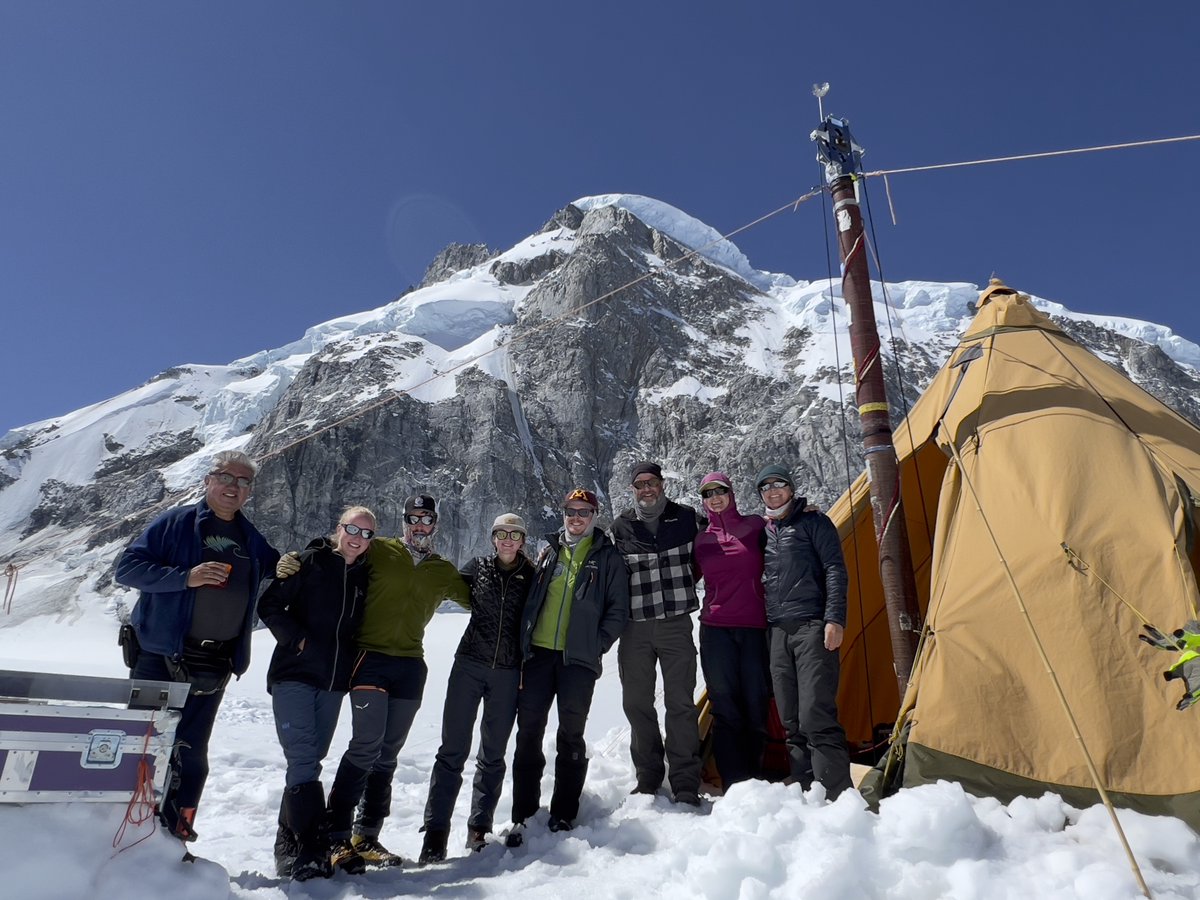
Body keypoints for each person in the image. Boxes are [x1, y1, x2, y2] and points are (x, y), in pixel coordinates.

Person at [115, 450, 279, 843]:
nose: (233, 487)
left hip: (213, 664)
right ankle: (125, 829)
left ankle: (175, 834)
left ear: (249, 493)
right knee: (146, 746)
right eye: (226, 478)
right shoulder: (175, 524)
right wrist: (184, 578)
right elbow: (128, 568)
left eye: (242, 483)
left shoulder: (249, 537)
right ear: (208, 480)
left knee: (192, 753)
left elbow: (278, 567)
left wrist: (298, 563)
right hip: (159, 656)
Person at [320, 495, 468, 872]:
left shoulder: (442, 570)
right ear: (404, 522)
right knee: (366, 744)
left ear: (435, 524)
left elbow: (479, 599)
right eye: (413, 518)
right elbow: (341, 549)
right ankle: (334, 836)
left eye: (426, 519)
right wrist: (305, 554)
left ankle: (366, 836)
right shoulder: (380, 550)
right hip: (369, 659)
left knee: (387, 752)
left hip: (411, 666)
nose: (420, 525)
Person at [504, 489, 629, 845]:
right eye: (571, 511)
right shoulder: (549, 552)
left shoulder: (607, 557)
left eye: (584, 511)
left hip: (578, 662)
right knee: (528, 733)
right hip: (539, 657)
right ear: (563, 513)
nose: (577, 517)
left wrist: (595, 645)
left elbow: (618, 611)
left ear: (594, 515)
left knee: (571, 736)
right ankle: (523, 816)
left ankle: (563, 813)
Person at [258, 506, 375, 881]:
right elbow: (269, 604)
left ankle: (286, 842)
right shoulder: (309, 561)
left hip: (333, 683)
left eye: (367, 533)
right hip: (294, 674)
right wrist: (296, 640)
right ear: (338, 528)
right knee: (304, 756)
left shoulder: (363, 576)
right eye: (352, 529)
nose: (358, 538)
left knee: (309, 759)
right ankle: (311, 848)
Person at [418, 513, 535, 864]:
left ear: (522, 540)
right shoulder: (477, 566)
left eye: (515, 534)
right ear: (493, 537)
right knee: (452, 749)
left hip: (507, 672)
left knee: (493, 753)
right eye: (501, 533)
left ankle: (478, 828)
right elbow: (443, 585)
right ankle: (435, 833)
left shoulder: (531, 575)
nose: (508, 540)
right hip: (468, 665)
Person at [608, 461, 703, 805]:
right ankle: (648, 775)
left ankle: (685, 781)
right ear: (632, 489)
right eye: (639, 484)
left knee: (680, 703)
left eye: (651, 482)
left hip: (676, 624)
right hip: (634, 629)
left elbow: (725, 532)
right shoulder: (622, 527)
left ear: (662, 484)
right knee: (636, 703)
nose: (646, 489)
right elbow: (602, 563)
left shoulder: (687, 517)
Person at [757, 464, 853, 800]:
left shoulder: (814, 522)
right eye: (765, 487)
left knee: (815, 711)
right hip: (778, 631)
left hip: (813, 625)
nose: (772, 491)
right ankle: (804, 784)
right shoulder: (763, 531)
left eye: (779, 484)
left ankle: (837, 793)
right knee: (790, 715)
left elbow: (835, 570)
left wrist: (835, 619)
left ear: (791, 488)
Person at [693, 472, 770, 790]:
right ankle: (735, 784)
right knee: (725, 708)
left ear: (731, 493)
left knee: (756, 704)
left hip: (753, 628)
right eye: (708, 493)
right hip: (715, 630)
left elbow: (787, 533)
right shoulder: (700, 540)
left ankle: (757, 775)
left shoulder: (755, 527)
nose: (715, 497)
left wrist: (806, 511)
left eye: (720, 491)